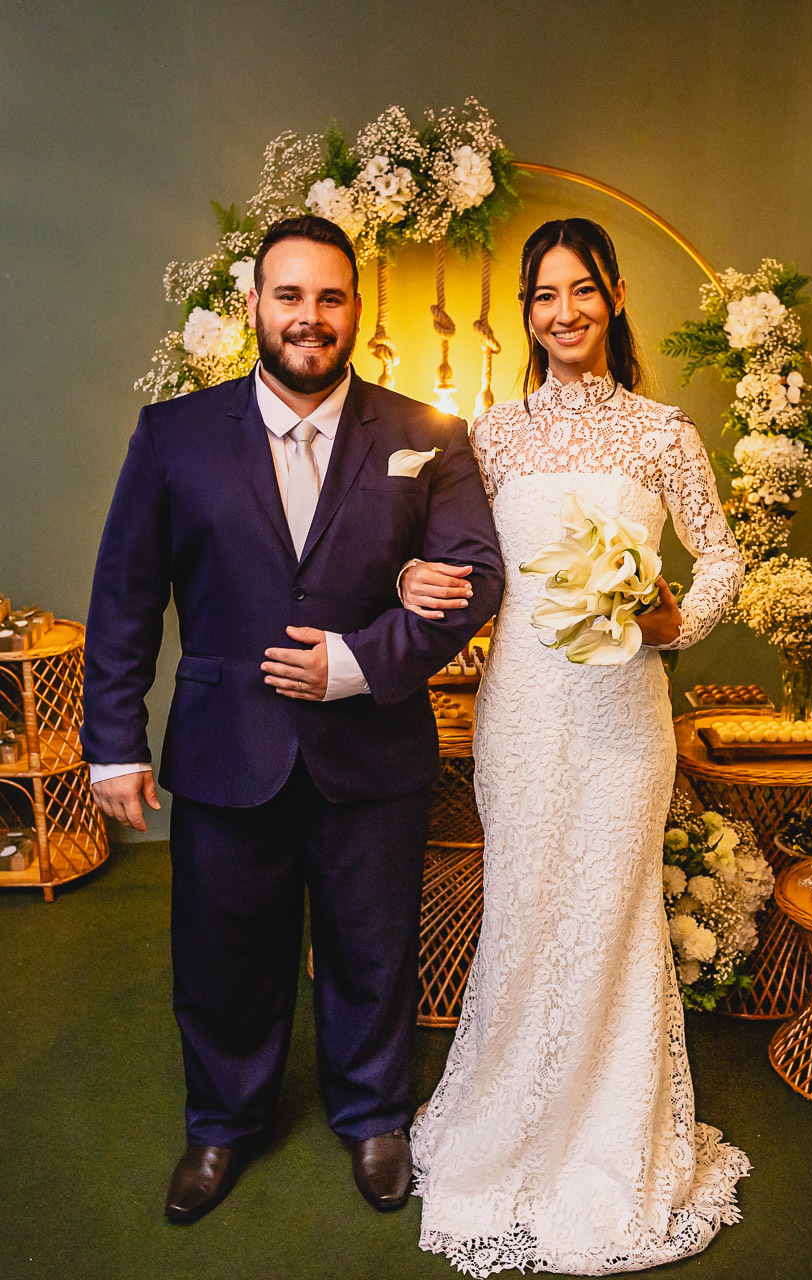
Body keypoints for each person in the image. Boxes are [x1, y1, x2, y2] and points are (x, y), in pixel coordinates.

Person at [80, 215, 504, 1224]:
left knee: (372, 945)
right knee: (223, 947)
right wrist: (112, 741)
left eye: (329, 296)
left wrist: (359, 663)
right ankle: (222, 1122)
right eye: (289, 295)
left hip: (375, 749)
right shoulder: (172, 435)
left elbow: (477, 575)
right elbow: (126, 594)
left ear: (356, 309)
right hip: (229, 748)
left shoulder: (424, 436)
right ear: (254, 307)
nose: (309, 317)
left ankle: (372, 1113)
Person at [403, 218, 749, 1275]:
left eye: (582, 290)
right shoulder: (492, 433)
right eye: (544, 294)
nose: (564, 312)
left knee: (609, 908)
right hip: (523, 711)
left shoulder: (659, 429)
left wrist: (670, 622)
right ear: (526, 309)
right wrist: (418, 586)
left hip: (620, 718)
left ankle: (609, 1135)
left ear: (613, 296)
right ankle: (508, 1124)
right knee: (525, 902)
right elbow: (462, 564)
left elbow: (721, 556)